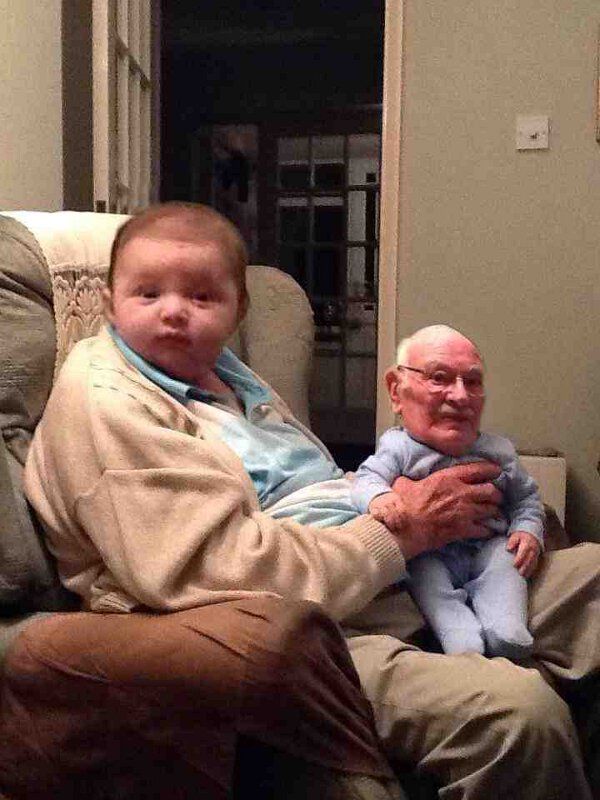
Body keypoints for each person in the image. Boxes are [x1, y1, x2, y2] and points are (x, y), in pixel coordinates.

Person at [21, 202, 600, 800]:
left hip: (387, 572)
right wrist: (405, 534)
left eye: (201, 297)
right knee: (519, 716)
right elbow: (217, 569)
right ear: (112, 299)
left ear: (236, 308)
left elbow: (310, 485)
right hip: (315, 625)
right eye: (147, 294)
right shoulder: (108, 401)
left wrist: (390, 496)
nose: (173, 311)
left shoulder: (226, 376)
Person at [351, 324, 544, 660]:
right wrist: (380, 499)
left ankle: (506, 635)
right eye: (439, 378)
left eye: (472, 382)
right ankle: (462, 642)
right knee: (430, 586)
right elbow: (366, 479)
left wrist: (529, 531)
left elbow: (526, 499)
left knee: (507, 581)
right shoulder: (398, 448)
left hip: (491, 547)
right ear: (396, 391)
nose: (460, 397)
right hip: (429, 555)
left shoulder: (498, 452)